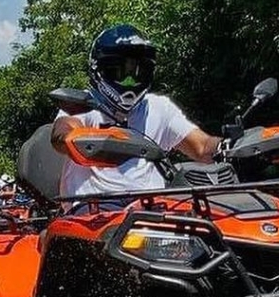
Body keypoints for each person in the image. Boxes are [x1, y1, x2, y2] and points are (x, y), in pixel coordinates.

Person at [51, 24, 221, 199]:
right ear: (98, 69)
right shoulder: (84, 105)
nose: (130, 81)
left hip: (153, 213)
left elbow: (202, 147)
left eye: (139, 72)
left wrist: (229, 146)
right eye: (120, 72)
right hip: (93, 212)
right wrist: (85, 140)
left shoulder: (159, 108)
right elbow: (62, 132)